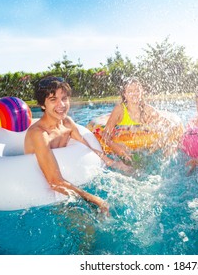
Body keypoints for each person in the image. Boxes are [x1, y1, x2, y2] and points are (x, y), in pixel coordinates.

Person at [24, 76, 132, 215]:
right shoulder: (39, 134)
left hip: (69, 181)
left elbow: (89, 148)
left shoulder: (67, 123)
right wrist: (94, 200)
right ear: (42, 105)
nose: (61, 105)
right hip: (46, 195)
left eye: (64, 99)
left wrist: (115, 164)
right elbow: (54, 182)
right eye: (53, 99)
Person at [101, 77, 181, 161]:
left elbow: (170, 125)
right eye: (130, 91)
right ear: (124, 94)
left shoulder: (147, 109)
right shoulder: (119, 110)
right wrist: (119, 150)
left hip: (147, 152)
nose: (134, 94)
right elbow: (105, 136)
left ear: (141, 92)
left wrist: (158, 144)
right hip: (125, 151)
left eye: (137, 90)